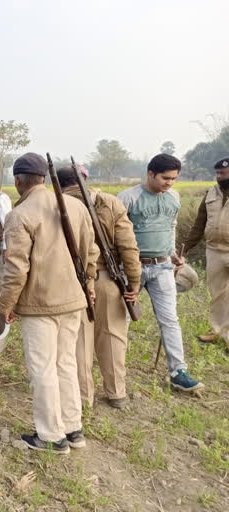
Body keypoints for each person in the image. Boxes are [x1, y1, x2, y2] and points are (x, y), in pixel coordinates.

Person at [0, 152, 99, 454]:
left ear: (18, 181)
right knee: (65, 364)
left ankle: (51, 437)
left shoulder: (21, 214)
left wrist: (5, 306)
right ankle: (73, 429)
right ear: (42, 178)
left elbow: (16, 269)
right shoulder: (77, 206)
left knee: (43, 369)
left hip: (40, 304)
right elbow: (91, 253)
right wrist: (89, 285)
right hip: (73, 300)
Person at [118, 154, 204, 392]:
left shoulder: (173, 197)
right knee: (121, 320)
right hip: (131, 268)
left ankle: (178, 372)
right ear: (151, 173)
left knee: (170, 320)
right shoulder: (128, 198)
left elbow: (171, 226)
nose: (170, 183)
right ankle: (116, 370)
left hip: (163, 267)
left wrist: (173, 252)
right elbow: (113, 233)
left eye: (174, 179)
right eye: (165, 178)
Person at [56, 167, 141, 409]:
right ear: (83, 179)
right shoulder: (111, 202)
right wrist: (133, 281)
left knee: (79, 340)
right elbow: (129, 247)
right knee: (113, 336)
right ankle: (116, 393)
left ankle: (84, 397)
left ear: (59, 185)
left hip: (72, 282)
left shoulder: (57, 204)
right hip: (109, 280)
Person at [182, 156, 229, 349]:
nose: (220, 176)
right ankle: (218, 332)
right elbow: (199, 225)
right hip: (214, 251)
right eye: (218, 173)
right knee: (217, 293)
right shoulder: (210, 193)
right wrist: (183, 250)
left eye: (223, 173)